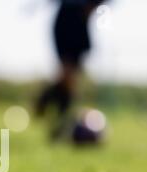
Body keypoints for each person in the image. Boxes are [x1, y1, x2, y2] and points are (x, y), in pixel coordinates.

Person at [34, 0, 107, 139]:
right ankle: (51, 109)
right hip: (66, 19)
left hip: (81, 22)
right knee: (67, 77)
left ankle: (55, 117)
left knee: (70, 81)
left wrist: (91, 7)